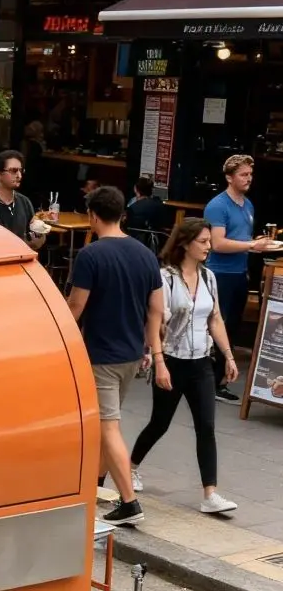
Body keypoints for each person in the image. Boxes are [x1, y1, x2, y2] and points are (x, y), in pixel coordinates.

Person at [67, 185, 164, 526]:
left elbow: (76, 306)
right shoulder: (145, 254)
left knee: (108, 427)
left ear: (93, 216)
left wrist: (59, 337)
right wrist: (154, 350)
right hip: (131, 354)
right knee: (105, 424)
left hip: (101, 356)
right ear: (122, 214)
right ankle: (94, 487)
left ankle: (129, 502)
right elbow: (157, 309)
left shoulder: (90, 256)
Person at [130, 218, 239, 516]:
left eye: (208, 241)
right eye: (202, 241)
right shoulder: (165, 278)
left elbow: (215, 319)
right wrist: (159, 361)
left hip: (201, 361)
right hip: (171, 360)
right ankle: (131, 467)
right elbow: (155, 321)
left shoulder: (209, 278)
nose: (208, 246)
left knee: (207, 426)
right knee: (160, 422)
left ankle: (210, 494)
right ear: (185, 243)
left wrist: (228, 356)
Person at [204, 154, 272, 404]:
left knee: (231, 326)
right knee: (215, 325)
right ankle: (209, 381)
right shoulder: (217, 206)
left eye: (250, 174)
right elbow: (218, 243)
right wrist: (251, 245)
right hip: (221, 273)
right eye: (243, 174)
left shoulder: (249, 205)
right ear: (229, 177)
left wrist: (257, 243)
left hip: (239, 272)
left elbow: (243, 237)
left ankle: (219, 379)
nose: (248, 179)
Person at [125, 175, 168, 244]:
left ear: (135, 189)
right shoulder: (161, 206)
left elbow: (130, 231)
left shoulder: (133, 208)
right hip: (158, 244)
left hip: (136, 244)